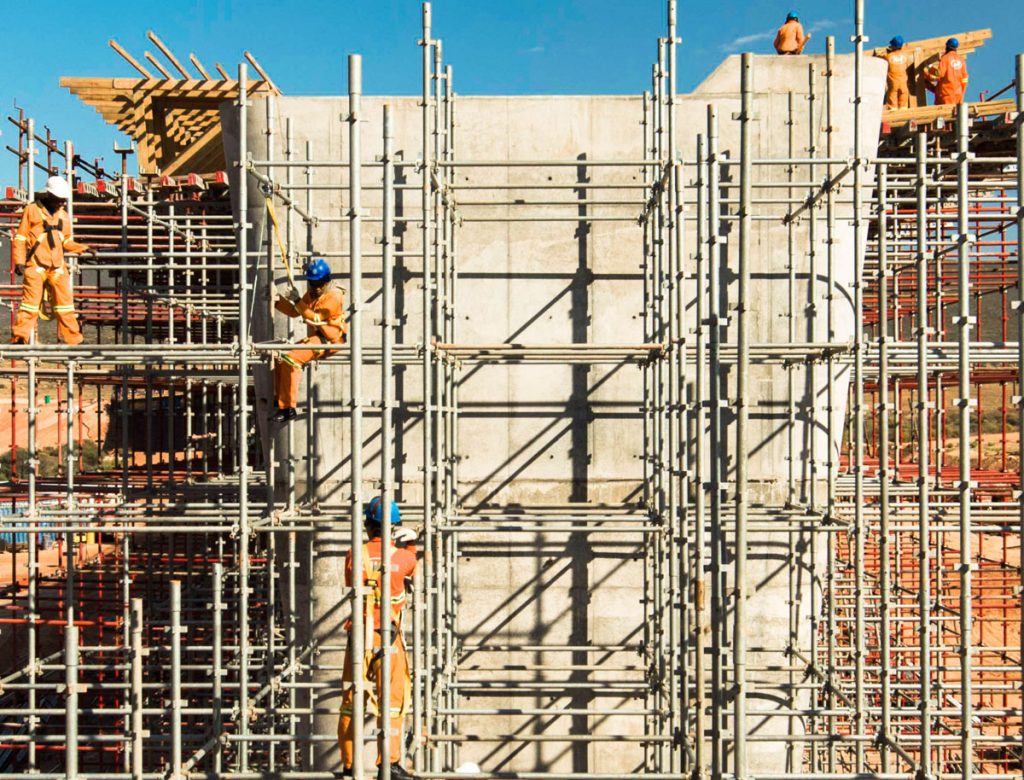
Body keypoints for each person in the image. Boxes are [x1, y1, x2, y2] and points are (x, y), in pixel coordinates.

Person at [338, 498, 418, 780]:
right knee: (393, 702)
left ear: (367, 524)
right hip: (388, 636)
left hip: (359, 636)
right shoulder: (405, 557)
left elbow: (353, 580)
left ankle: (350, 766)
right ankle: (390, 763)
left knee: (351, 700)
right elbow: (414, 570)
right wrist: (411, 545)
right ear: (393, 527)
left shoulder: (353, 553)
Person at [10, 175, 94, 345]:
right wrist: (19, 261)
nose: (61, 203)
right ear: (49, 195)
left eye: (63, 200)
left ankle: (73, 339)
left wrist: (83, 248)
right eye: (58, 199)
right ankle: (20, 336)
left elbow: (66, 241)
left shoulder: (63, 216)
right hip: (36, 264)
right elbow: (20, 237)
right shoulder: (32, 210)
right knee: (30, 304)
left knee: (65, 306)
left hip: (57, 266)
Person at [271, 258, 347, 422]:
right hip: (318, 338)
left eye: (319, 283)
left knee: (292, 359)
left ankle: (288, 409)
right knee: (280, 358)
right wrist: (277, 300)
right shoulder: (313, 294)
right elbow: (294, 312)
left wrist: (298, 300)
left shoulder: (334, 296)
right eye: (313, 284)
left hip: (331, 340)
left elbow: (315, 317)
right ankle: (280, 400)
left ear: (327, 281)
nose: (316, 287)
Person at [926, 38, 969, 105]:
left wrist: (930, 68)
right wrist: (961, 96)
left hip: (946, 95)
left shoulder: (945, 58)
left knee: (943, 114)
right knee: (955, 114)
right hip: (957, 95)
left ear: (947, 47)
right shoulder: (962, 61)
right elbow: (965, 80)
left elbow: (939, 74)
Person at [876, 36, 911, 109]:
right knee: (903, 107)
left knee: (892, 108)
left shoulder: (887, 56)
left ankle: (893, 114)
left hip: (893, 85)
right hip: (903, 84)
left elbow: (878, 55)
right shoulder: (905, 55)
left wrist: (879, 51)